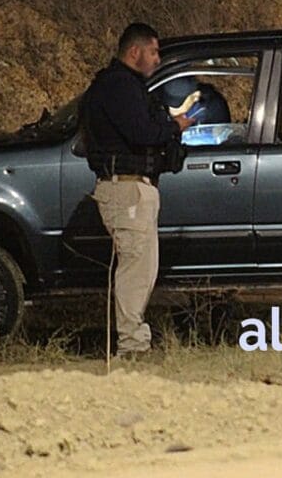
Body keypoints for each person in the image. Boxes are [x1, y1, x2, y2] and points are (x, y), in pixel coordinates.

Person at [79, 23, 195, 354]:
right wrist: (175, 125)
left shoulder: (116, 86)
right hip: (126, 190)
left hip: (130, 189)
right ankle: (131, 345)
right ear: (135, 52)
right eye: (154, 51)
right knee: (135, 271)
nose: (157, 59)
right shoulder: (120, 87)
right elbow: (142, 132)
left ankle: (134, 340)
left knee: (141, 268)